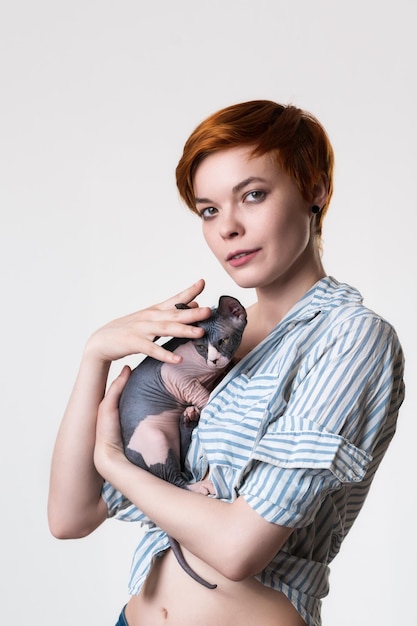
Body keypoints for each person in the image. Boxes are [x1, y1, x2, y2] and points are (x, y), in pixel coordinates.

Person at [48, 100, 405, 626]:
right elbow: (69, 516)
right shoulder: (211, 333)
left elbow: (241, 548)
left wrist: (116, 464)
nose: (227, 228)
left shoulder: (351, 337)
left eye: (253, 195)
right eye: (209, 209)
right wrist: (95, 355)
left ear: (315, 188)